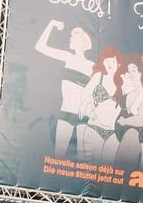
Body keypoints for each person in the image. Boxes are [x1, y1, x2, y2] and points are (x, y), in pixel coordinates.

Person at [33, 20, 98, 157]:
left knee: (84, 160)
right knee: (58, 156)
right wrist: (51, 24)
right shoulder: (68, 57)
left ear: (83, 43)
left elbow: (97, 91)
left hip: (83, 115)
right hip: (66, 111)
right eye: (71, 37)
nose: (71, 40)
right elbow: (40, 46)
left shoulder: (91, 65)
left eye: (74, 38)